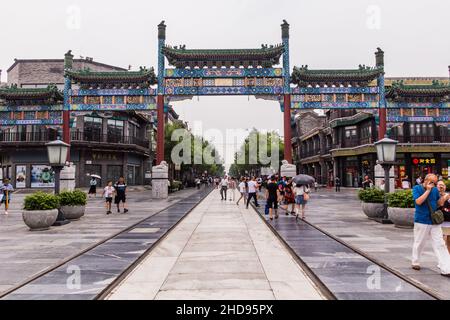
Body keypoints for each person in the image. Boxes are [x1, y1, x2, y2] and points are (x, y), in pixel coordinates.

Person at [411, 174, 450, 276]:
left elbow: (438, 204)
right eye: (433, 182)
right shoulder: (417, 188)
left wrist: (444, 198)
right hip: (421, 219)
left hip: (434, 221)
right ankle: (416, 261)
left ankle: (446, 268)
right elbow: (418, 202)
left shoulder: (435, 190)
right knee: (419, 242)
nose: (435, 184)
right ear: (426, 180)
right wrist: (428, 190)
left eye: (435, 182)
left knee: (440, 243)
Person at [437, 180, 450, 254]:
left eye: (443, 185)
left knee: (449, 241)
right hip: (439, 222)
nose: (441, 186)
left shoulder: (448, 196)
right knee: (442, 241)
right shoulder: (435, 195)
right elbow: (440, 204)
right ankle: (442, 259)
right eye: (439, 185)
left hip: (448, 221)